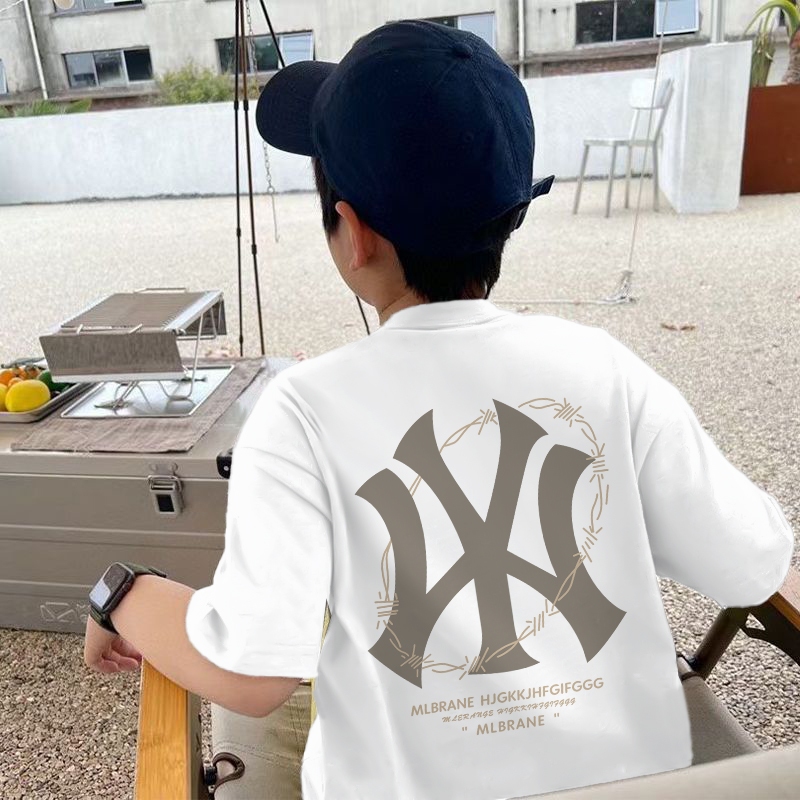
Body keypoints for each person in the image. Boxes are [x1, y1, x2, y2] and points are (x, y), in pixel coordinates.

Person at [84, 19, 796, 800]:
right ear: (511, 215)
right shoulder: (605, 370)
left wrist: (121, 594)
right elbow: (753, 560)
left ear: (354, 235)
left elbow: (250, 672)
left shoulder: (302, 413)